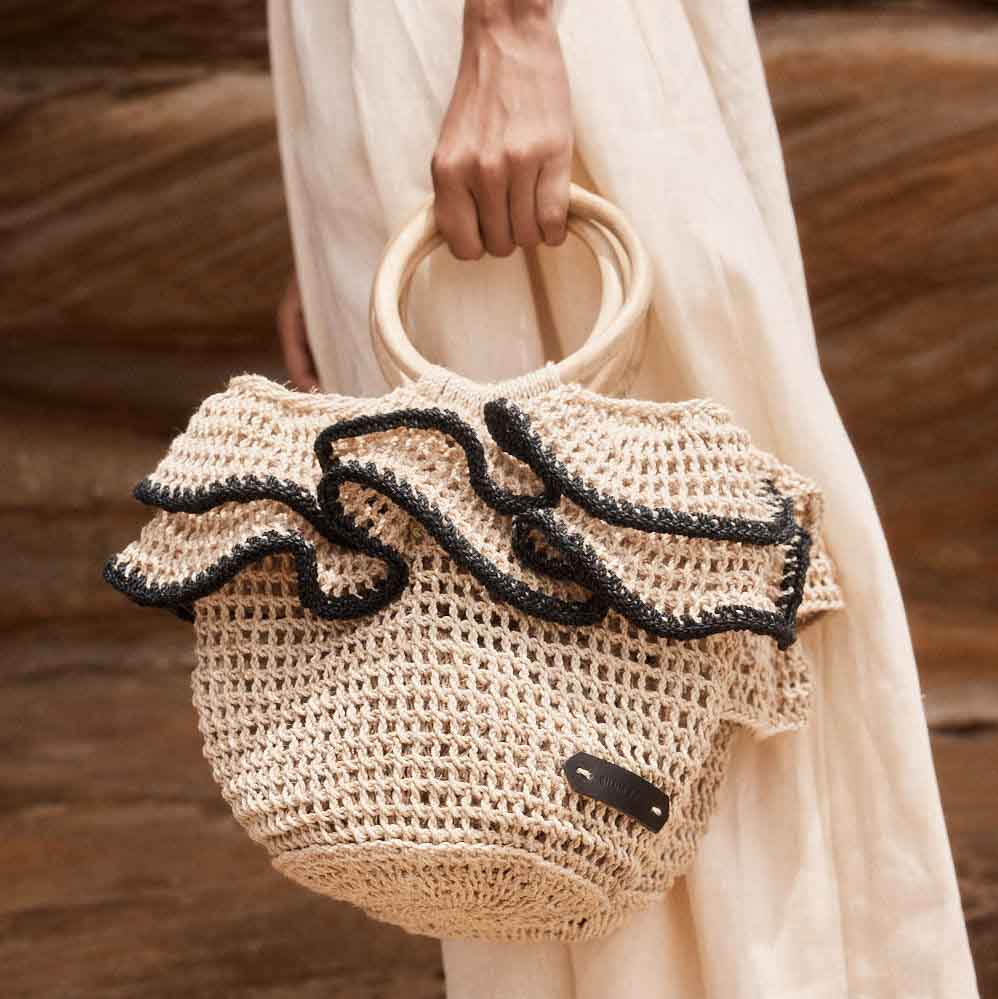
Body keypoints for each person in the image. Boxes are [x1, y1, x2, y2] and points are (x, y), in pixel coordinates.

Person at [268, 1, 980, 996]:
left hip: (498, 36)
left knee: (669, 613)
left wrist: (507, 32)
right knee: (509, 683)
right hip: (388, 61)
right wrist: (326, 173)